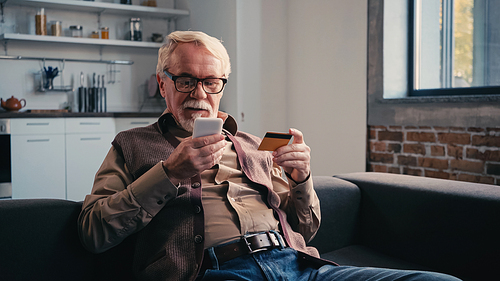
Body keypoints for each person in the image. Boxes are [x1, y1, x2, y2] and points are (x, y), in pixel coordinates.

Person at [78, 30, 461, 281]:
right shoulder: (131, 144)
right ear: (163, 84)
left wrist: (302, 181)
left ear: (221, 86)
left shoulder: (255, 143)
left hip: (300, 266)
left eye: (210, 81)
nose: (199, 92)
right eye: (185, 80)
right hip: (216, 272)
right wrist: (169, 173)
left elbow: (306, 228)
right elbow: (94, 232)